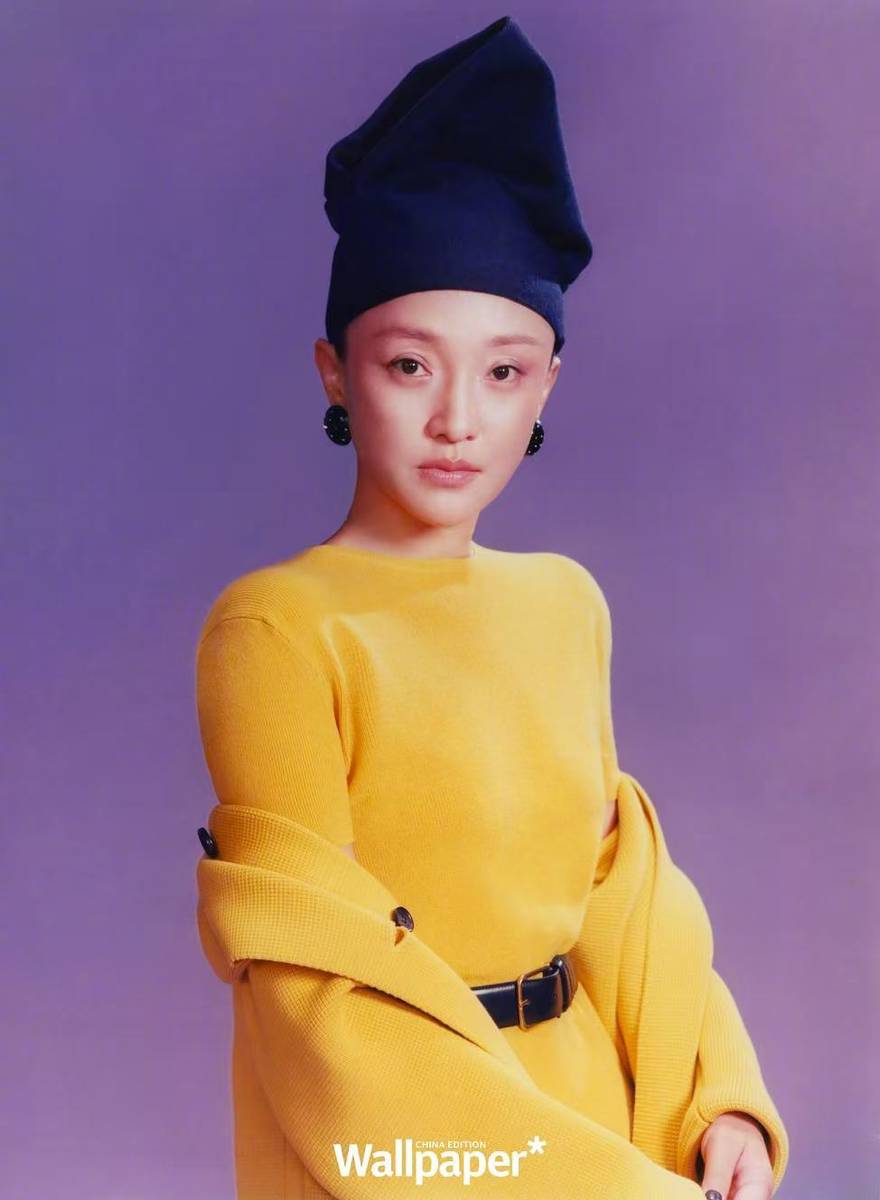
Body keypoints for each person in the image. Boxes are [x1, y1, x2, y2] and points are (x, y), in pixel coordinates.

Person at [193, 16, 789, 1199]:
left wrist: (715, 1099)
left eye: (504, 369)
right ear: (335, 370)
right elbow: (321, 998)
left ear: (547, 384)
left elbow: (624, 895)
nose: (458, 419)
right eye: (409, 364)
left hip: (595, 1118)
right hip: (410, 1151)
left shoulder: (565, 604)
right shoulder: (276, 630)